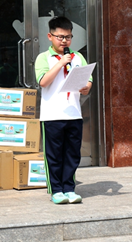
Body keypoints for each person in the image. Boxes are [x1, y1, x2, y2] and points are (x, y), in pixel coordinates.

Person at [34, 16, 92, 205]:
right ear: (50, 36)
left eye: (68, 37)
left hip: (74, 112)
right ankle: (56, 190)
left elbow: (87, 78)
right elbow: (43, 82)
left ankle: (69, 188)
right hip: (52, 115)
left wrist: (87, 87)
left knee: (72, 154)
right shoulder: (44, 57)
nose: (64, 41)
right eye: (60, 37)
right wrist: (60, 63)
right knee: (54, 154)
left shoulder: (78, 57)